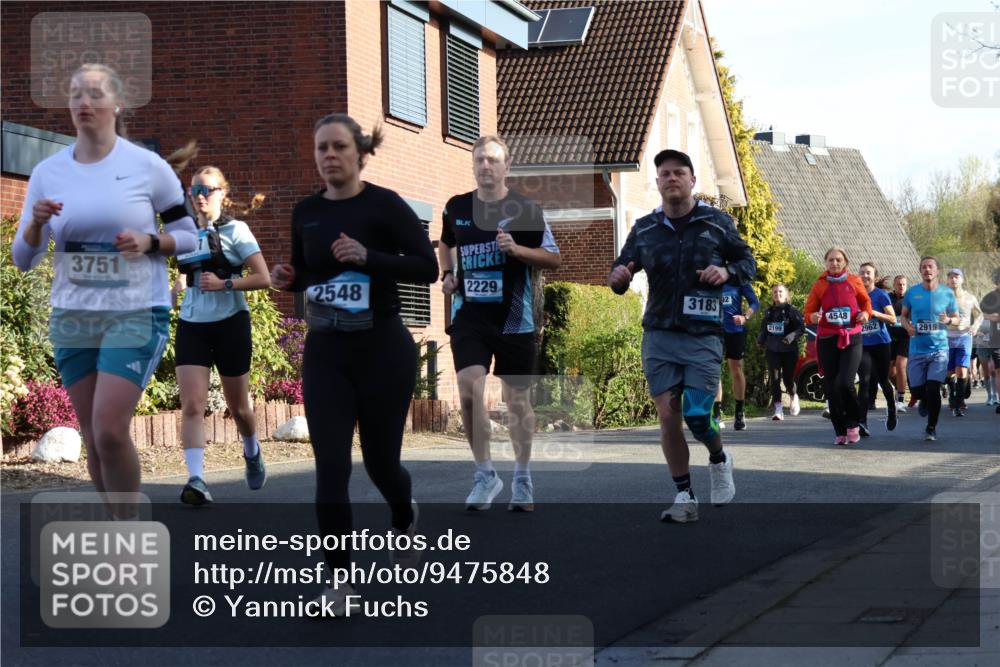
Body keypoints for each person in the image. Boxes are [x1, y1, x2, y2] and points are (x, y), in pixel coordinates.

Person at [11, 64, 197, 517]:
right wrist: (35, 225)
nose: (83, 102)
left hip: (135, 310)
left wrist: (150, 242)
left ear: (117, 104)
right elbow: (23, 258)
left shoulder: (147, 167)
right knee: (94, 437)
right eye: (75, 93)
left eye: (94, 93)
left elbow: (190, 237)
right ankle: (117, 524)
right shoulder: (48, 172)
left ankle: (129, 529)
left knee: (110, 430)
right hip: (74, 315)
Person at [270, 114, 437, 613]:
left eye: (338, 146)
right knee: (332, 467)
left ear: (360, 154)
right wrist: (289, 276)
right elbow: (309, 272)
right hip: (327, 352)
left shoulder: (384, 204)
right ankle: (339, 583)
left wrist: (369, 257)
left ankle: (403, 513)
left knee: (381, 464)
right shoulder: (306, 211)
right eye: (321, 147)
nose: (328, 156)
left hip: (383, 349)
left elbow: (427, 268)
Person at [608, 149, 756, 523]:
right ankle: (684, 496)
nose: (672, 178)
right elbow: (621, 269)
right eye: (665, 173)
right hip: (659, 334)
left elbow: (747, 262)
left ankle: (719, 458)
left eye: (679, 172)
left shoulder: (717, 223)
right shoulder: (645, 228)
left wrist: (727, 273)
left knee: (698, 415)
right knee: (668, 415)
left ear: (692, 180)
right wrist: (618, 278)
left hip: (703, 334)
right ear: (657, 182)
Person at [439, 135, 561, 512]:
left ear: (507, 166)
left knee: (517, 401)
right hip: (470, 317)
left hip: (514, 320)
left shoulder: (526, 210)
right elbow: (445, 243)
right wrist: (448, 274)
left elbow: (553, 258)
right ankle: (485, 475)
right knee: (468, 387)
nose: (485, 166)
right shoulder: (457, 207)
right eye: (479, 160)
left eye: (492, 160)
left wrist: (517, 250)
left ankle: (522, 478)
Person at [172, 167, 271, 505]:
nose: (200, 196)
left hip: (230, 322)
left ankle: (252, 450)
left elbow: (263, 277)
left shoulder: (236, 230)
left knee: (239, 407)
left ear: (222, 194)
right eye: (195, 189)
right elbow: (186, 272)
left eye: (208, 190)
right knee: (192, 405)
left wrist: (225, 283)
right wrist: (177, 287)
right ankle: (196, 479)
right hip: (192, 323)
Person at [803, 247, 872, 445]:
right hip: (827, 339)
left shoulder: (854, 281)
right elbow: (807, 312)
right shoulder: (820, 284)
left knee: (845, 383)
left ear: (845, 262)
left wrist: (865, 314)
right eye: (831, 260)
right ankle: (840, 431)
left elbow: (866, 303)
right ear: (826, 262)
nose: (835, 263)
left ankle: (853, 423)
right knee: (831, 386)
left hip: (852, 337)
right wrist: (812, 317)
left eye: (838, 260)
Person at [900, 256, 960, 441]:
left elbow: (957, 319)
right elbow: (903, 316)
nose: (927, 270)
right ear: (920, 271)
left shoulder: (947, 293)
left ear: (937, 271)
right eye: (924, 267)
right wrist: (907, 327)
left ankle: (931, 427)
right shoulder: (912, 292)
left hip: (939, 350)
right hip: (917, 349)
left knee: (933, 389)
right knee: (917, 392)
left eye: (930, 267)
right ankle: (923, 398)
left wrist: (948, 320)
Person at [857, 262, 898, 435]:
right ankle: (862, 422)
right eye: (862, 273)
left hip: (881, 343)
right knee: (864, 381)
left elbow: (893, 319)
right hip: (862, 345)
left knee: (883, 380)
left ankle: (891, 407)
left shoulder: (880, 295)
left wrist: (874, 313)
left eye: (868, 273)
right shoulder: (854, 295)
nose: (865, 275)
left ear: (875, 277)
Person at [715, 281, 759, 430]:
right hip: (715, 331)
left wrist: (745, 317)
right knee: (714, 370)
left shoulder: (738, 278)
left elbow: (754, 302)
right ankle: (716, 414)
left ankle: (739, 413)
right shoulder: (711, 277)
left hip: (735, 331)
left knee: (736, 370)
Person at [757, 284, 805, 421]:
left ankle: (793, 396)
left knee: (788, 379)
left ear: (786, 295)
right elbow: (764, 329)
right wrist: (760, 340)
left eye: (780, 292)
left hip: (789, 351)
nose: (777, 294)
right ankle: (778, 409)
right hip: (772, 350)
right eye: (775, 292)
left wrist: (790, 337)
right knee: (775, 379)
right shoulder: (768, 312)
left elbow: (801, 328)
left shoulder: (792, 311)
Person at [944, 268, 983, 417]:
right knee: (949, 372)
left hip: (964, 337)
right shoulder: (942, 297)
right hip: (946, 338)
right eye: (951, 277)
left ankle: (958, 402)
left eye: (957, 276)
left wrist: (975, 326)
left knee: (961, 370)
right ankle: (954, 393)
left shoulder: (970, 297)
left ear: (962, 279)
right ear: (947, 280)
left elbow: (980, 314)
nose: (954, 279)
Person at [978, 269, 1000, 413]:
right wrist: (993, 317)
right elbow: (980, 313)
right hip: (992, 338)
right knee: (993, 370)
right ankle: (992, 396)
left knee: (995, 370)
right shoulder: (991, 297)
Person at [888, 274, 911, 412]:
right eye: (899, 284)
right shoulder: (888, 298)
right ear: (894, 286)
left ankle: (901, 400)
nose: (901, 287)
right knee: (891, 372)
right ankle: (899, 388)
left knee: (901, 365)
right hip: (890, 338)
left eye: (903, 284)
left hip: (905, 337)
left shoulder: (910, 299)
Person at [974, 317, 997, 405]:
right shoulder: (979, 317)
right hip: (982, 346)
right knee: (986, 373)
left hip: (995, 346)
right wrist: (978, 332)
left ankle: (995, 396)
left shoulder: (996, 315)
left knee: (993, 370)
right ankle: (989, 396)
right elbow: (972, 330)